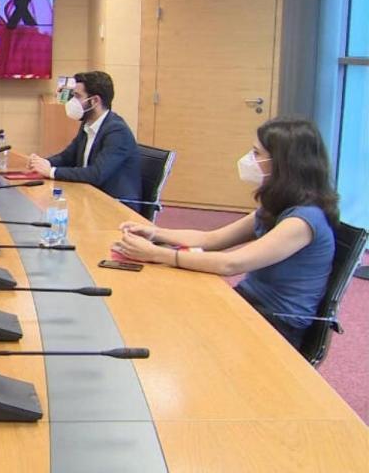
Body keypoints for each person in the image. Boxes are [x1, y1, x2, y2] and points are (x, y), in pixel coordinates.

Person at [112, 118, 338, 350]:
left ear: (283, 164)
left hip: (276, 324)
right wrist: (155, 233)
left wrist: (157, 255)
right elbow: (212, 240)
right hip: (250, 304)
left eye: (256, 153)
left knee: (175, 326)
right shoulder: (276, 206)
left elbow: (231, 264)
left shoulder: (303, 221)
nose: (249, 159)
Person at [27, 71, 141, 210]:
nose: (72, 101)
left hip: (116, 206)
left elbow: (96, 174)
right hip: (91, 197)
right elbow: (67, 156)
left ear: (95, 101)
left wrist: (51, 171)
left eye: (77, 96)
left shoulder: (117, 131)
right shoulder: (88, 123)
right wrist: (45, 162)